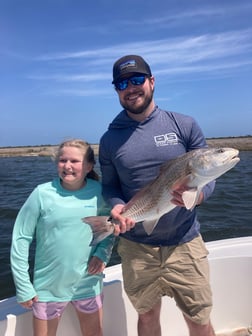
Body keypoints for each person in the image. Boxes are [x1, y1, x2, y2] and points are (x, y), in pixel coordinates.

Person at [99, 55, 216, 336]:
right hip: (136, 246)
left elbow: (207, 175)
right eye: (122, 83)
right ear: (116, 90)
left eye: (137, 79)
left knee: (199, 319)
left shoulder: (183, 124)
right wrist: (116, 208)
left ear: (152, 81)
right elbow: (110, 186)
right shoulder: (109, 140)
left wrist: (197, 197)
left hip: (185, 243)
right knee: (147, 316)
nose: (131, 87)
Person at [11, 139, 114, 336]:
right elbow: (20, 239)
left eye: (75, 161)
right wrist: (23, 285)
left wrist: (102, 254)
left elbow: (109, 229)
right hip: (48, 287)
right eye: (62, 160)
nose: (67, 166)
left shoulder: (100, 192)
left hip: (89, 282)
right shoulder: (41, 194)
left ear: (89, 166)